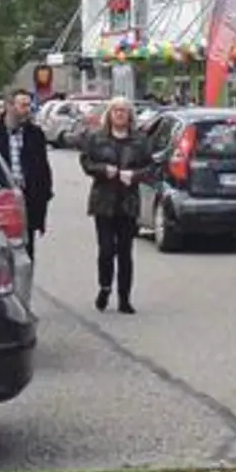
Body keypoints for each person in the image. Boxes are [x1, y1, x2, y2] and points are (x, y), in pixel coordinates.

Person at [79, 97, 155, 314]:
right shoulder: (97, 138)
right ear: (109, 115)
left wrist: (134, 175)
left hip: (128, 201)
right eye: (116, 111)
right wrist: (104, 170)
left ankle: (124, 297)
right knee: (106, 250)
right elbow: (87, 162)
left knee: (125, 251)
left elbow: (151, 168)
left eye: (124, 111)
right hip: (103, 200)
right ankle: (104, 287)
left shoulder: (139, 140)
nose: (120, 114)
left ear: (130, 115)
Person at [0, 89, 54, 260]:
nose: (27, 110)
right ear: (9, 106)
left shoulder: (35, 134)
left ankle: (23, 285)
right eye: (23, 105)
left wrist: (43, 202)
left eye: (29, 105)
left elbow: (42, 171)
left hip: (26, 200)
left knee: (25, 252)